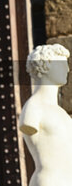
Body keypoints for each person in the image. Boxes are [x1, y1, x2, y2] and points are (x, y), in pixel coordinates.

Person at [19, 44, 72, 186]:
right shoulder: (34, 107)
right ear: (45, 66)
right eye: (61, 65)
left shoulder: (62, 114)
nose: (67, 69)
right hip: (49, 181)